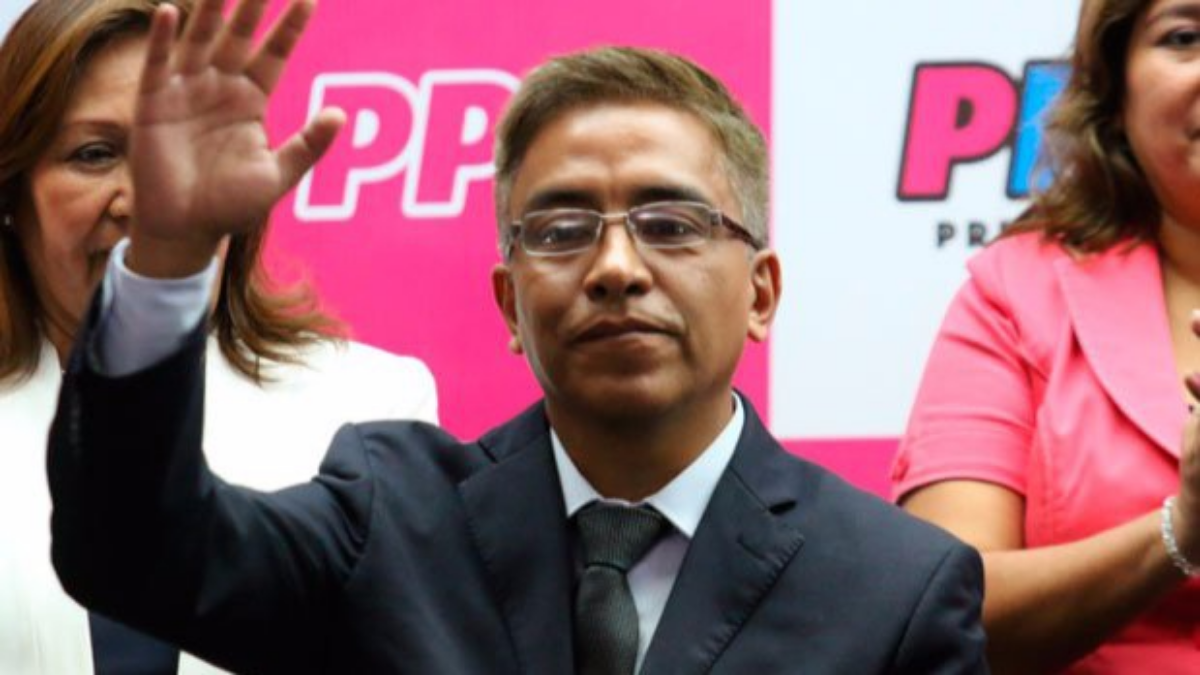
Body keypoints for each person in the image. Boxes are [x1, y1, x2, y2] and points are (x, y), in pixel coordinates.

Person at [47, 0, 988, 672]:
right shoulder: (390, 518)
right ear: (508, 304)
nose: (615, 266)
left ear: (761, 292)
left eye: (669, 224)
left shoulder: (896, 586)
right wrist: (170, 259)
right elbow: (131, 553)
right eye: (563, 229)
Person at [0, 1, 438, 674]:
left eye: (183, 146)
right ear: (11, 194)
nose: (154, 197)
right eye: (95, 154)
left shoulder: (372, 402)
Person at [893, 0, 1200, 672]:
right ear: (1115, 90)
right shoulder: (1015, 293)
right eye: (1184, 36)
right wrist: (1181, 530)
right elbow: (940, 609)